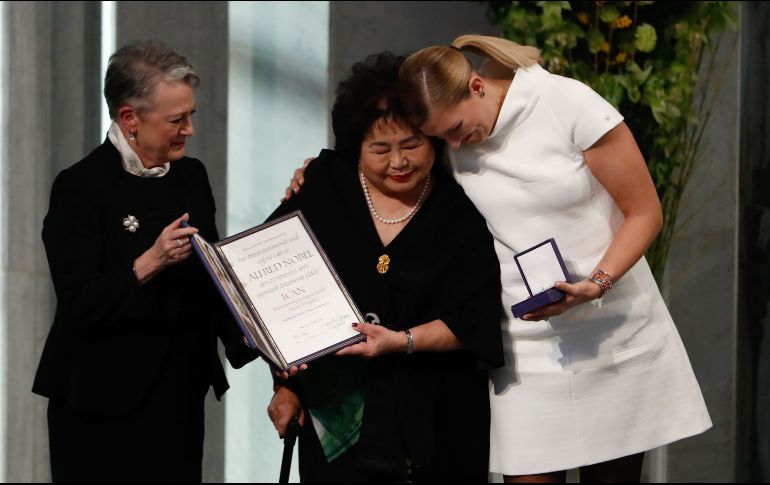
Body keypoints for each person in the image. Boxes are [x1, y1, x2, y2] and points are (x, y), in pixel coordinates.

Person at [392, 35, 713, 482]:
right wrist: (315, 173)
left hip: (613, 330)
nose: (454, 142)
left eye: (455, 127)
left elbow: (645, 212)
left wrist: (596, 283)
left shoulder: (565, 102)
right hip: (527, 345)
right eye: (441, 136)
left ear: (478, 87)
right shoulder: (458, 143)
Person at [266, 52, 504, 482]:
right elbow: (269, 287)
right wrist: (283, 385)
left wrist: (403, 341)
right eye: (380, 149)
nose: (399, 163)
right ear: (356, 147)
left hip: (438, 418)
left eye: (412, 144)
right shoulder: (323, 186)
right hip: (337, 417)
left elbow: (479, 319)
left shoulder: (464, 208)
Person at [33, 40, 257, 482]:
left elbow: (214, 277)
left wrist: (267, 345)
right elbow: (80, 302)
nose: (189, 129)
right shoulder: (80, 186)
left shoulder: (192, 177)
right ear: (129, 118)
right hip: (100, 403)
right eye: (177, 119)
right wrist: (148, 262)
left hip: (178, 395)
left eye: (190, 115)